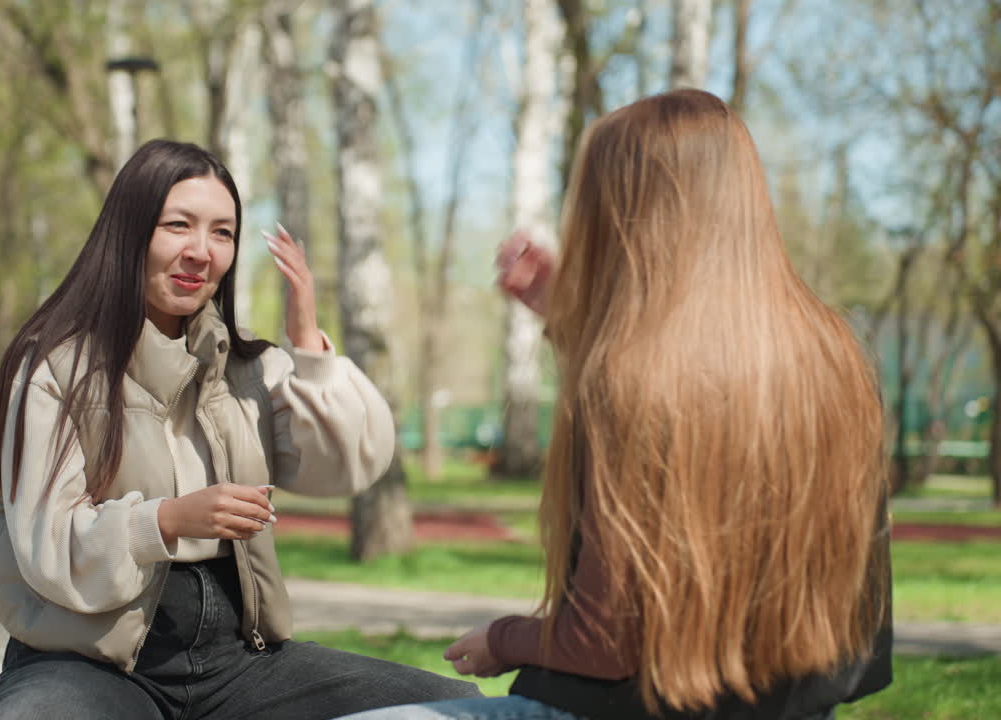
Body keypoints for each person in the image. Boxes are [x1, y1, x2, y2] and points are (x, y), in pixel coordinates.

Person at [338, 90, 891, 720]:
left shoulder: (631, 379)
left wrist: (505, 639)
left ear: (624, 215)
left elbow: (602, 642)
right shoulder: (839, 363)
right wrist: (571, 322)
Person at [0, 139, 478, 720]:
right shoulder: (52, 370)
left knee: (452, 708)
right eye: (178, 225)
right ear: (129, 232)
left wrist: (309, 346)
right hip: (86, 661)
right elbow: (45, 543)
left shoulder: (246, 373)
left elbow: (346, 463)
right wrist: (166, 520)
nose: (201, 251)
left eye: (222, 233)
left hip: (238, 664)